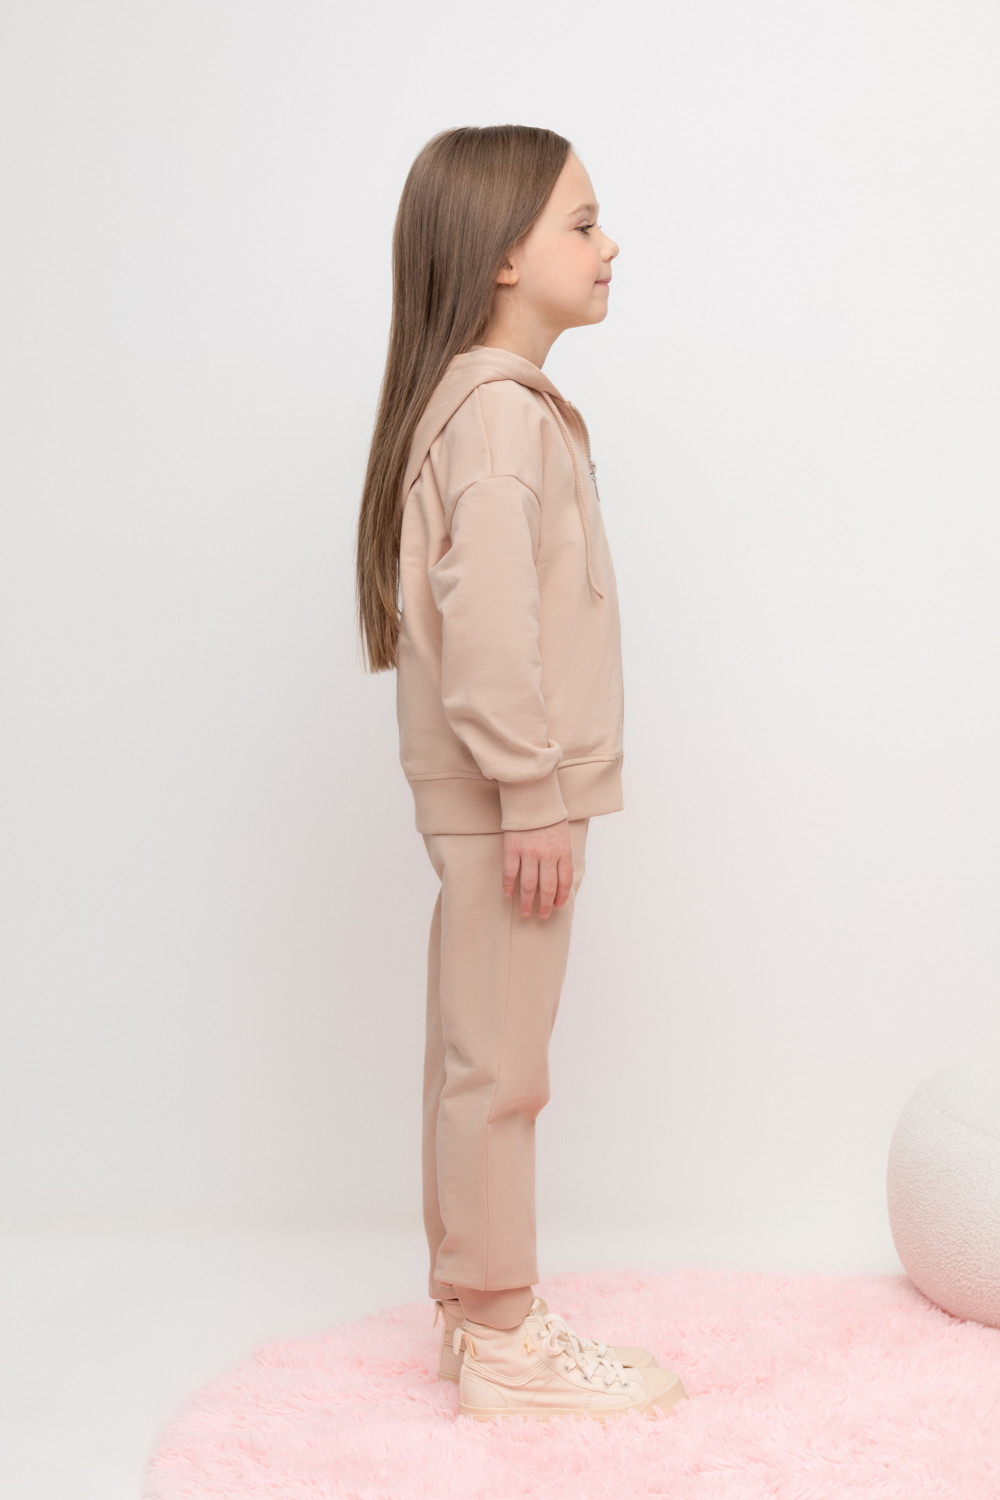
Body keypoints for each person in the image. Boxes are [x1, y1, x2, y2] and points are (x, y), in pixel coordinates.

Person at [354, 124, 685, 1422]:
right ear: (502, 257)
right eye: (583, 224)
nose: (610, 247)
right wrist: (534, 793)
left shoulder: (489, 405)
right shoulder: (499, 415)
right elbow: (490, 621)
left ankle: (471, 1314)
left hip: (503, 800)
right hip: (512, 804)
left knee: (481, 1054)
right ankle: (501, 1338)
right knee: (502, 1067)